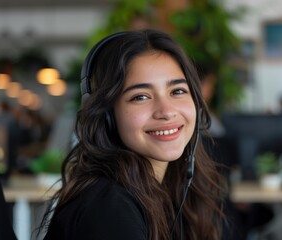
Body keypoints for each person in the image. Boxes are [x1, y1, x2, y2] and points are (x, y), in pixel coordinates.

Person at [40, 29, 227, 240]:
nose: (166, 112)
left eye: (177, 91)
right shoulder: (108, 207)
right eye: (141, 97)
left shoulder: (170, 190)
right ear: (107, 115)